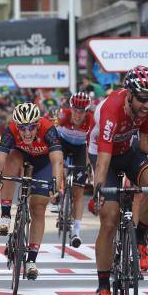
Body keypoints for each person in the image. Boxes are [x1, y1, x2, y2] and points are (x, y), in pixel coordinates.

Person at [89, 66, 148, 295]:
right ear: (129, 94)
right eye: (143, 99)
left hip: (129, 150)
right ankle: (103, 284)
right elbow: (104, 159)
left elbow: (146, 141)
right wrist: (98, 192)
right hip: (105, 156)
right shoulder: (112, 110)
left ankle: (140, 236)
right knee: (110, 217)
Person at [0, 102, 64, 280]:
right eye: (22, 127)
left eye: (31, 127)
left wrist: (56, 185)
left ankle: (31, 260)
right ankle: (6, 215)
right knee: (11, 161)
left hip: (43, 163)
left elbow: (57, 161)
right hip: (21, 157)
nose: (27, 132)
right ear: (17, 126)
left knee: (38, 207)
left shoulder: (48, 129)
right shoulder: (10, 130)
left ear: (38, 123)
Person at [55, 92, 93, 247]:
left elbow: (92, 145)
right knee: (58, 167)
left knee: (78, 191)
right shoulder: (63, 116)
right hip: (63, 144)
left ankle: (76, 232)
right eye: (76, 110)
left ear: (87, 111)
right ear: (71, 108)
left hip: (80, 149)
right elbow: (52, 137)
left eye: (82, 111)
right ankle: (59, 192)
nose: (78, 114)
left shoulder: (91, 121)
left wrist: (88, 164)